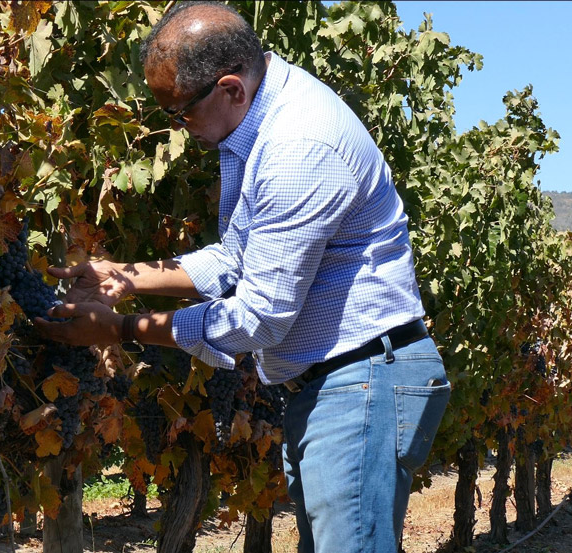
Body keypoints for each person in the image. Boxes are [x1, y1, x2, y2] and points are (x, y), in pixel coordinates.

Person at [33, 2, 451, 551]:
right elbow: (238, 255)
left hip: (361, 385)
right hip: (342, 384)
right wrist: (128, 276)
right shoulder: (257, 117)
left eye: (180, 112)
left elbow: (258, 317)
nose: (176, 129)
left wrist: (118, 330)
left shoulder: (296, 147)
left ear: (230, 88)